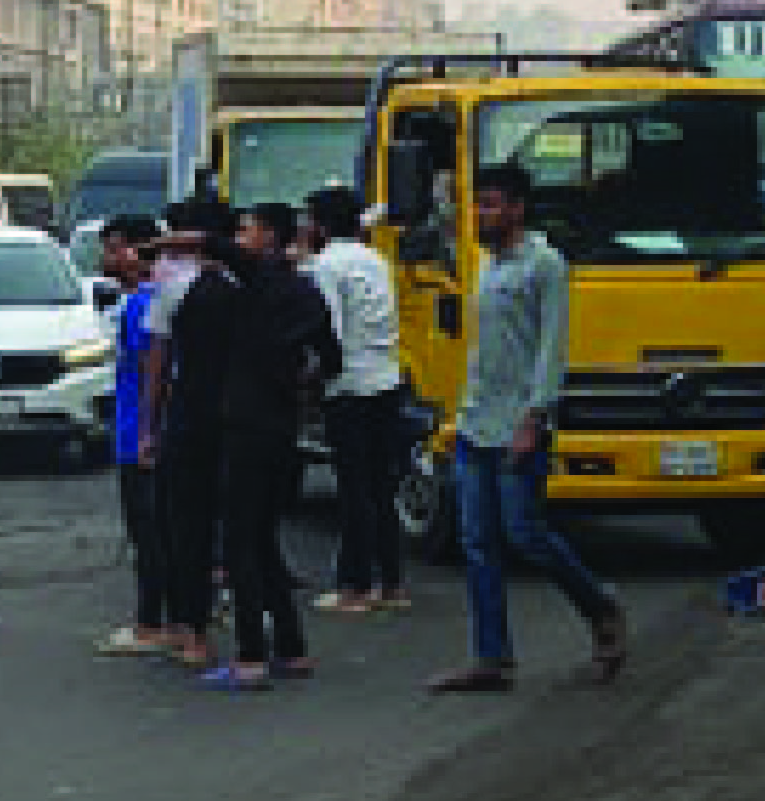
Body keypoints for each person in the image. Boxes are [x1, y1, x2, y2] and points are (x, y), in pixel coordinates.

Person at [432, 162, 627, 693]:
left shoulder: (545, 265)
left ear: (517, 208)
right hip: (477, 423)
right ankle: (492, 657)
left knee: (527, 534)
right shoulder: (487, 265)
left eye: (491, 204)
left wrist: (534, 417)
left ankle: (600, 608)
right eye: (478, 204)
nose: (481, 214)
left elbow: (550, 350)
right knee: (477, 543)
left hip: (520, 424)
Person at [199, 202, 339, 692]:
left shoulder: (260, 279)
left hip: (246, 421)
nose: (241, 238)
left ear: (270, 238)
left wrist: (169, 243)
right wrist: (297, 382)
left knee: (239, 537)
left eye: (248, 230)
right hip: (281, 424)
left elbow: (214, 248)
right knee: (262, 535)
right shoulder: (304, 290)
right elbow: (331, 356)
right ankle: (292, 645)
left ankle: (251, 654)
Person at [301, 184, 409, 617]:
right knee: (382, 487)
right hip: (387, 378)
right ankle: (391, 581)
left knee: (354, 488)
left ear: (323, 225)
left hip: (349, 386)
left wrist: (309, 380)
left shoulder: (326, 267)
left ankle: (355, 586)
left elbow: (329, 333)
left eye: (310, 219)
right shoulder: (376, 260)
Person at [143, 196, 236, 669]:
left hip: (191, 413)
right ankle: (265, 635)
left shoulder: (173, 286)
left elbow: (158, 363)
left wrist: (148, 428)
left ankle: (191, 629)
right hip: (245, 414)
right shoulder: (250, 281)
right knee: (244, 523)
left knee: (186, 526)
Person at [87, 215, 180, 658]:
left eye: (114, 248)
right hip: (139, 430)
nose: (107, 259)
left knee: (149, 532)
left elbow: (152, 374)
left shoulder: (144, 305)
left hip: (138, 436)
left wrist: (146, 431)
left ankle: (151, 623)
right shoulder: (144, 301)